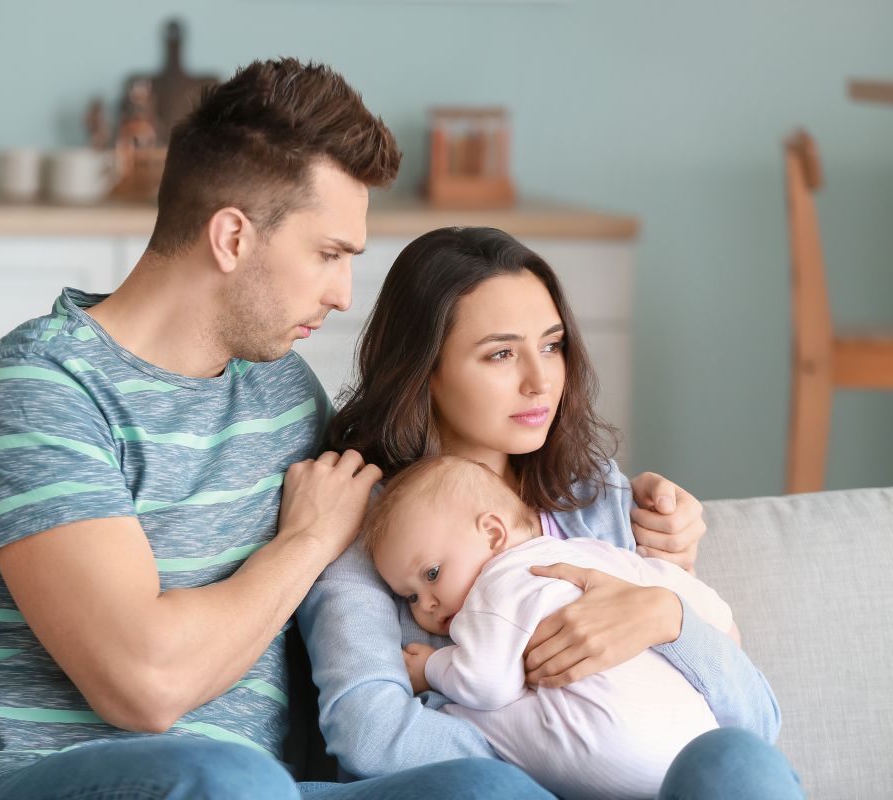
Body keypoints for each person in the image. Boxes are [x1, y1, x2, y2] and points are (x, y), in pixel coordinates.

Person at [0, 60, 550, 800]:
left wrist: (644, 573)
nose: (342, 295)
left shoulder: (282, 392)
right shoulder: (39, 391)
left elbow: (439, 526)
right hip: (32, 782)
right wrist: (304, 543)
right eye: (329, 255)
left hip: (255, 792)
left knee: (483, 790)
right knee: (223, 777)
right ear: (233, 237)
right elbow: (146, 685)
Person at [297, 226, 804, 798]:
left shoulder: (595, 497)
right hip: (499, 789)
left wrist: (669, 618)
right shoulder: (369, 524)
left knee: (737, 763)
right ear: (425, 368)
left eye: (551, 345)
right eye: (502, 353)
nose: (540, 381)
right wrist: (571, 761)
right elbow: (371, 734)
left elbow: (755, 724)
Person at [368, 454, 748, 800]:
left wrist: (432, 667)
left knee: (469, 709)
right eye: (410, 597)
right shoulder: (592, 552)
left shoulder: (491, 590)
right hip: (693, 745)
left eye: (431, 574)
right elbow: (712, 613)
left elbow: (485, 684)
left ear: (492, 534)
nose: (427, 605)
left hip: (613, 755)